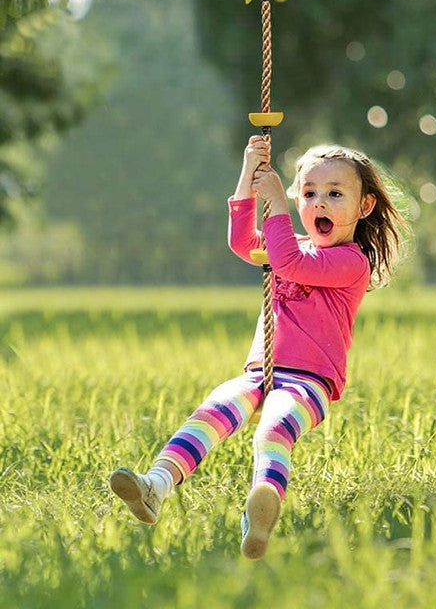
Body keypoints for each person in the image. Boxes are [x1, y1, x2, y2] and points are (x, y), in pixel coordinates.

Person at [109, 138, 406, 559]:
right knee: (211, 412)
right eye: (308, 193)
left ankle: (261, 508)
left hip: (309, 382)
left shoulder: (350, 262)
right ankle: (155, 485)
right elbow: (242, 240)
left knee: (275, 429)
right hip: (258, 373)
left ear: (365, 207)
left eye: (335, 194)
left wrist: (279, 209)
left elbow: (290, 265)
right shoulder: (292, 245)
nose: (319, 203)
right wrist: (250, 173)